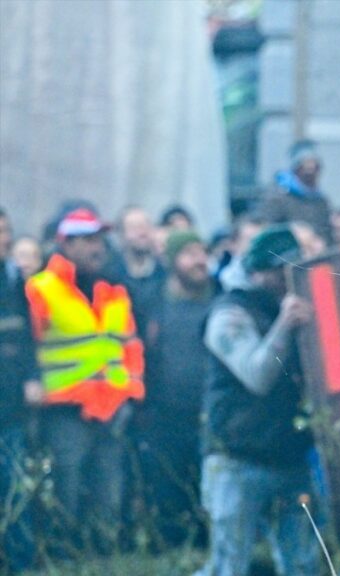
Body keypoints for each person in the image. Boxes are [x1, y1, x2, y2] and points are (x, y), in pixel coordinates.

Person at [196, 225, 321, 576]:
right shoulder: (228, 313)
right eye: (280, 271)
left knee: (303, 565)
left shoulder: (296, 300)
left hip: (288, 456)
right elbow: (257, 375)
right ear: (258, 272)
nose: (287, 279)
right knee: (228, 566)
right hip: (236, 458)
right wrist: (284, 324)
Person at [24, 208, 145, 553]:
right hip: (65, 408)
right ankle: (67, 559)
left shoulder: (113, 289)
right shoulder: (41, 289)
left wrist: (133, 392)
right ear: (67, 244)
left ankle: (103, 559)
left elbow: (129, 343)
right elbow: (28, 347)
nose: (98, 247)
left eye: (99, 239)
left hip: (111, 407)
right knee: (68, 488)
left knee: (110, 490)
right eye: (89, 240)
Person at [136, 231, 216, 547]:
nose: (199, 260)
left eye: (202, 252)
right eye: (189, 253)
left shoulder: (219, 298)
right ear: (171, 261)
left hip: (208, 414)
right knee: (167, 486)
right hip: (163, 417)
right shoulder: (151, 301)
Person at [0, 208, 40, 573]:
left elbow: (27, 337)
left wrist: (32, 377)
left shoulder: (13, 280)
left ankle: (20, 564)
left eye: (7, 230)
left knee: (13, 488)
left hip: (10, 406)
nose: (6, 239)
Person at [258, 139, 334, 243]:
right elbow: (267, 229)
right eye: (306, 168)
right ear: (297, 169)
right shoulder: (279, 198)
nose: (312, 174)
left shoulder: (320, 201)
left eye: (315, 169)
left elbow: (326, 232)